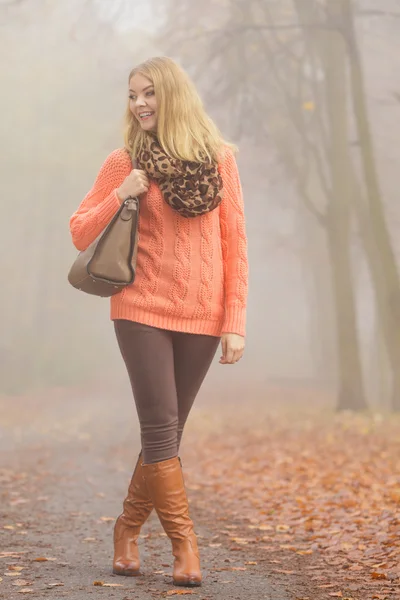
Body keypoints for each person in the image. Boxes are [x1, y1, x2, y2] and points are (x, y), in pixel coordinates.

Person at [69, 56, 248, 588]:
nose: (139, 103)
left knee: (169, 431)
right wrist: (121, 195)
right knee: (160, 422)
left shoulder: (219, 161)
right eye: (132, 95)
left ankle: (126, 528)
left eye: (149, 93)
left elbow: (234, 245)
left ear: (173, 96)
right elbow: (80, 231)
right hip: (139, 307)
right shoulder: (124, 161)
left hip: (203, 314)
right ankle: (184, 546)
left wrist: (234, 319)